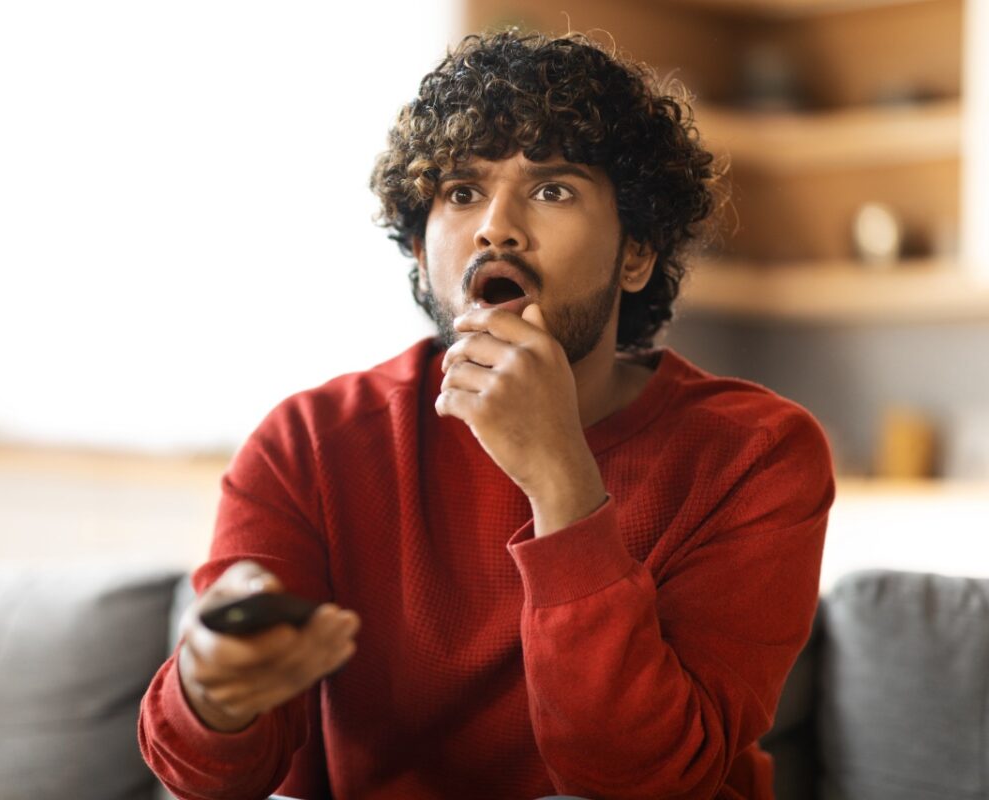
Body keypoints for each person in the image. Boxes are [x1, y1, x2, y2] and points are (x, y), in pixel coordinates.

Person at [138, 29, 833, 800]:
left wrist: (562, 481)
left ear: (636, 253)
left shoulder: (757, 454)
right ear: (417, 248)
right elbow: (209, 774)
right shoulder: (309, 444)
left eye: (552, 189)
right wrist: (213, 697)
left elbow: (648, 780)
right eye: (462, 192)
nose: (496, 226)